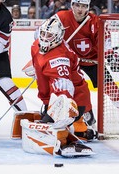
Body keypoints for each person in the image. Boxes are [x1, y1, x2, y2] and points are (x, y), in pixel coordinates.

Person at [23, 16, 93, 157]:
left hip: (75, 100)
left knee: (61, 120)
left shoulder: (59, 60)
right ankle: (81, 127)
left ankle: (81, 127)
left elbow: (65, 90)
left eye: (49, 36)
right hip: (57, 95)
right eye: (43, 34)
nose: (44, 38)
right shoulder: (36, 45)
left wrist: (54, 114)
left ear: (58, 37)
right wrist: (37, 66)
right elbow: (42, 74)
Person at [54, 0, 100, 129]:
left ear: (88, 7)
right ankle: (87, 113)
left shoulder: (94, 21)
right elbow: (45, 31)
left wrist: (108, 55)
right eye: (77, 5)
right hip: (72, 61)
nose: (80, 9)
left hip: (93, 60)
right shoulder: (62, 17)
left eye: (84, 6)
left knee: (108, 85)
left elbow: (104, 42)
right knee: (76, 86)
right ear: (72, 5)